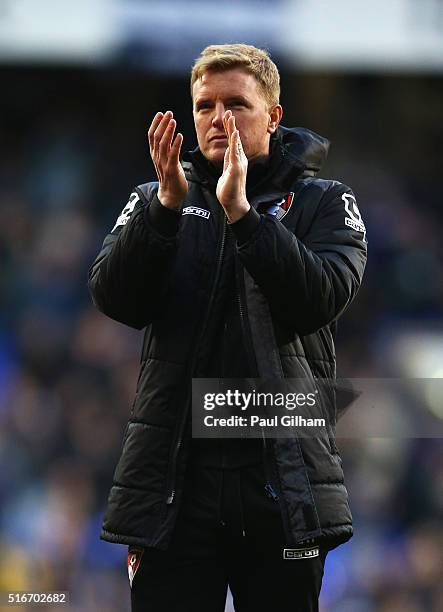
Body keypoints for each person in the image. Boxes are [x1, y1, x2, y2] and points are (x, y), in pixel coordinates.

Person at [88, 43, 367, 612]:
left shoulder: (324, 203)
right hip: (174, 483)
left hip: (281, 481)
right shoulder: (159, 197)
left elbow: (321, 297)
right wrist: (164, 211)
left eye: (236, 104)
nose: (218, 120)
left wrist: (243, 217)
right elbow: (114, 297)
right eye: (204, 106)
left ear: (273, 115)